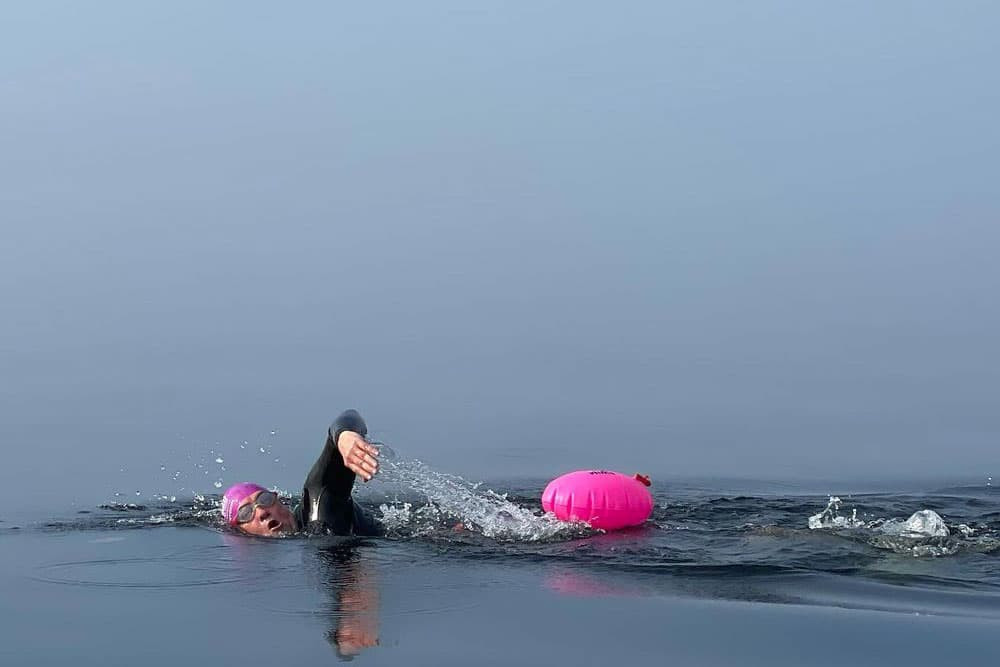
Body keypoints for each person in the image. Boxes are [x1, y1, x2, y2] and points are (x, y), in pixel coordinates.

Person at [221, 409, 381, 537]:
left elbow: (350, 415)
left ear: (280, 500)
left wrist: (345, 435)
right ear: (239, 530)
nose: (262, 512)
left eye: (264, 499)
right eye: (246, 513)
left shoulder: (318, 506)